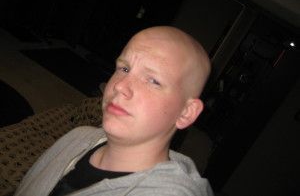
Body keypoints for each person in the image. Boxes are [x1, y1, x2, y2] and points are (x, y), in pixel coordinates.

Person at [15, 26, 213, 196]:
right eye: (124, 69)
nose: (120, 86)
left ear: (186, 113)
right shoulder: (78, 136)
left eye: (152, 80)